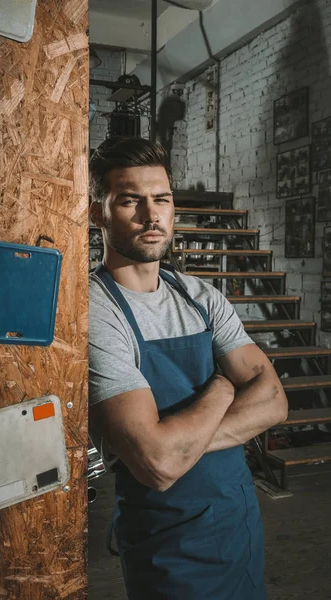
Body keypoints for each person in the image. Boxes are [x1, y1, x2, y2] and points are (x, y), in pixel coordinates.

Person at [88, 136, 288, 600]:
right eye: (130, 200)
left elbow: (275, 401)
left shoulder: (201, 297)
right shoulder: (95, 311)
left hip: (237, 522)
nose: (150, 214)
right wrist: (223, 385)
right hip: (167, 542)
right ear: (99, 212)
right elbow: (157, 466)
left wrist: (180, 446)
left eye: (161, 198)